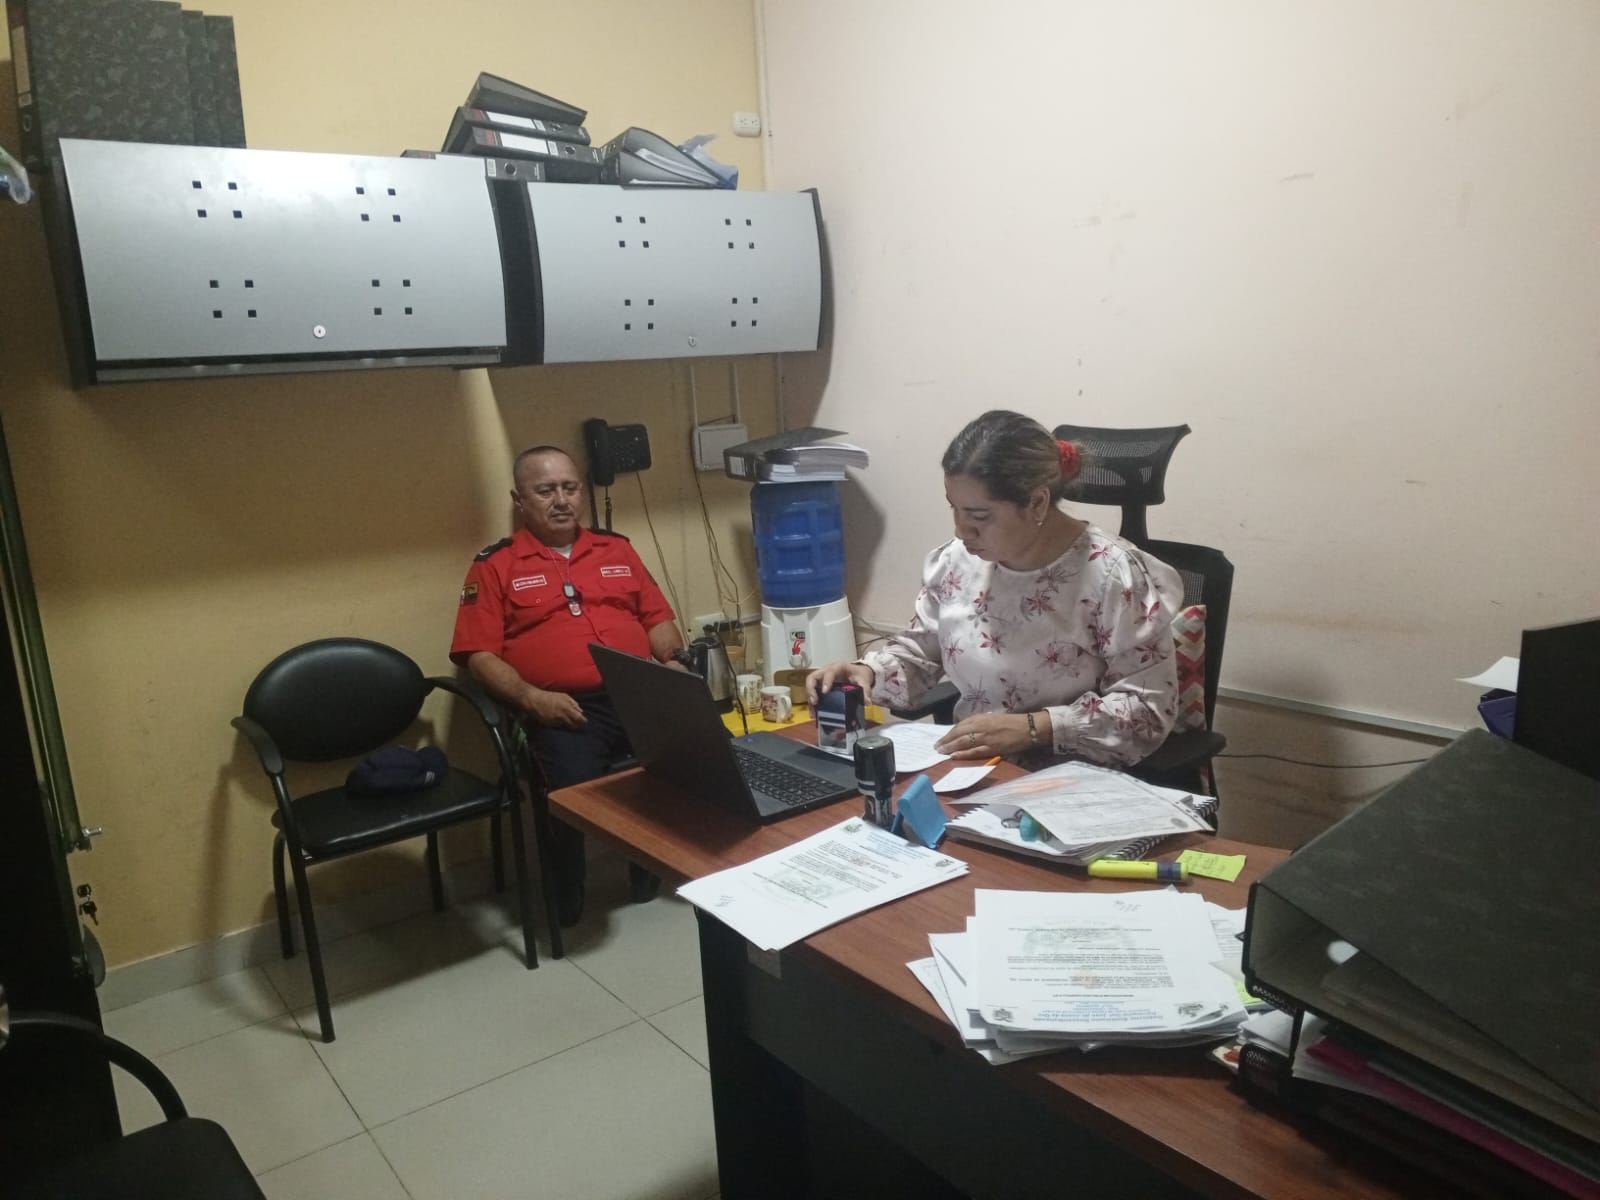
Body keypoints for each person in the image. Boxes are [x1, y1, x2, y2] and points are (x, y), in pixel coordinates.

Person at [807, 410, 1182, 767]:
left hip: (1072, 780)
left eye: (979, 516)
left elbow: (1147, 711)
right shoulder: (957, 563)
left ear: (1037, 503)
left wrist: (1035, 729)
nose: (961, 530)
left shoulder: (1112, 576)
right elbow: (921, 652)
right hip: (971, 768)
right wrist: (867, 673)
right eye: (954, 509)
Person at [451, 445, 686, 926]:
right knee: (570, 788)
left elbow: (656, 617)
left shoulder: (616, 549)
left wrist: (672, 661)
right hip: (561, 706)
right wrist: (532, 698)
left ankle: (653, 863)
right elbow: (478, 655)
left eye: (569, 488)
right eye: (545, 491)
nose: (561, 500)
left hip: (637, 692)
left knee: (700, 753)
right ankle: (566, 887)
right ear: (520, 500)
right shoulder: (495, 565)